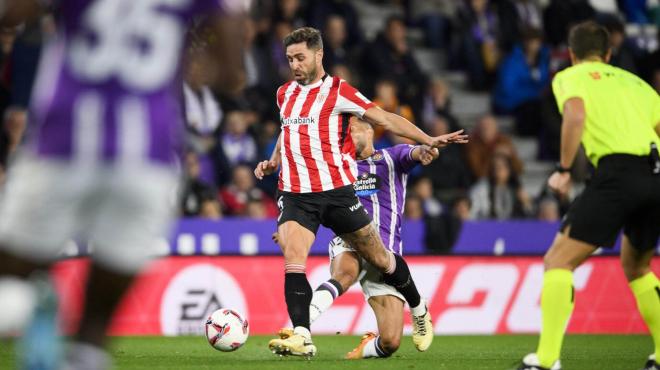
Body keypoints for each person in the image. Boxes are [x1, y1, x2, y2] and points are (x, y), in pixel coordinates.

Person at [0, 1, 248, 369]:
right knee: (97, 323)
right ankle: (84, 352)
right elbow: (232, 74)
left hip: (63, 143)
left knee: (13, 280)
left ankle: (30, 304)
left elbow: (11, 16)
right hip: (147, 157)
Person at [254, 27, 467, 358]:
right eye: (289, 59)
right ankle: (301, 335)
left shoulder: (338, 91)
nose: (294, 65)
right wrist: (274, 160)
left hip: (337, 193)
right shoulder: (284, 94)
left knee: (381, 258)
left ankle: (418, 306)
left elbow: (385, 118)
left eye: (300, 57)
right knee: (294, 259)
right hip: (297, 194)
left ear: (318, 55)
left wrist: (426, 139)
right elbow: (288, 129)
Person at [518, 21, 660, 370]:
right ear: (609, 54)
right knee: (638, 266)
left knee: (558, 261)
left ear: (571, 53)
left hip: (618, 173)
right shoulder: (639, 84)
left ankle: (547, 359)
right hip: (655, 176)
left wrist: (565, 170)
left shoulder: (571, 76)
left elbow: (575, 114)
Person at [274, 117, 442, 359]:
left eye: (351, 130)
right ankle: (299, 329)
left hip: (385, 250)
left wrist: (427, 150)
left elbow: (417, 153)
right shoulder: (338, 168)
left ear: (369, 130)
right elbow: (318, 206)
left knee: (391, 342)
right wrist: (293, 227)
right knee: (345, 273)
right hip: (350, 239)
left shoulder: (392, 157)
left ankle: (376, 341)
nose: (347, 137)